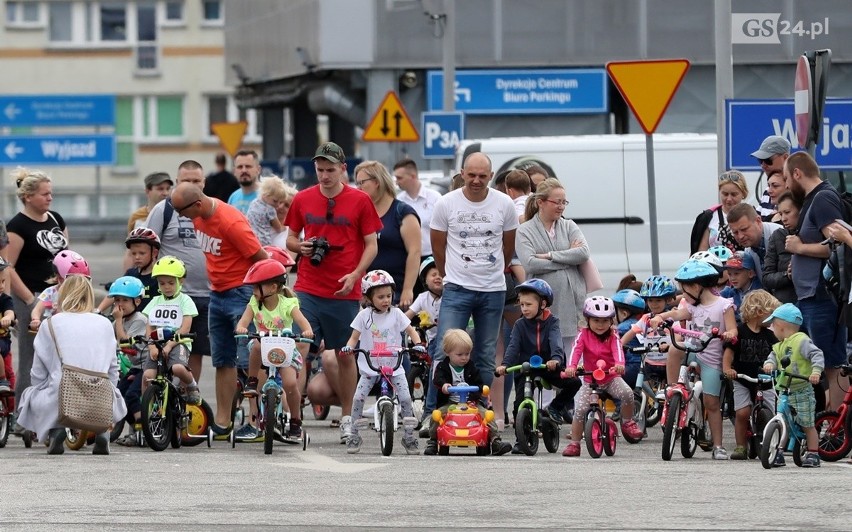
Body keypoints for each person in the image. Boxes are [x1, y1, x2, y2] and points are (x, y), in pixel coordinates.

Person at [285, 141, 381, 444]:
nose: (324, 176)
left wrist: (356, 275)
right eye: (319, 170)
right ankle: (293, 418)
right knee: (299, 348)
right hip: (308, 287)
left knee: (344, 354)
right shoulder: (302, 198)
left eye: (330, 170)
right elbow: (289, 238)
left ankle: (350, 417)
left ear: (343, 169)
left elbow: (371, 244)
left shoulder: (360, 200)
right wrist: (300, 247)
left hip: (344, 290)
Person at [426, 151, 518, 417]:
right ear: (462, 173)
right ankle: (433, 412)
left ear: (490, 176)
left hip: (493, 289)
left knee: (486, 355)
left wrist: (498, 268)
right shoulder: (446, 203)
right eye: (471, 175)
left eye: (482, 176)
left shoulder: (504, 204)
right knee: (445, 350)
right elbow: (437, 245)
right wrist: (447, 273)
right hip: (457, 287)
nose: (476, 181)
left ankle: (478, 410)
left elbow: (508, 244)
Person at [170, 182, 267, 432]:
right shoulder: (198, 217)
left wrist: (262, 298)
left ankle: (259, 420)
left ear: (198, 204)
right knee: (223, 359)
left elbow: (261, 259)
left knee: (250, 360)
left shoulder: (230, 222)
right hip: (217, 294)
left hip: (241, 292)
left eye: (182, 211)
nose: (181, 216)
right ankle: (223, 422)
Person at [17, 275, 126, 455]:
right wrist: (110, 391)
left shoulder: (50, 324)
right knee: (110, 390)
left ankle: (55, 428)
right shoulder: (105, 323)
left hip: (62, 393)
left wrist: (38, 390)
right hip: (99, 394)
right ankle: (102, 430)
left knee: (33, 394)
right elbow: (113, 368)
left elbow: (38, 371)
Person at [649, 260, 737, 460]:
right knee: (674, 348)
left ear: (696, 287)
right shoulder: (693, 307)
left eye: (685, 289)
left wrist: (729, 334)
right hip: (692, 350)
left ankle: (718, 446)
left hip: (712, 357)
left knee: (711, 402)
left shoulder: (724, 305)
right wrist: (659, 317)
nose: (683, 294)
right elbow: (676, 313)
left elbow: (732, 328)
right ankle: (672, 390)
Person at [1, 167, 68, 415]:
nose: (50, 198)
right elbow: (8, 266)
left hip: (58, 295)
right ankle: (22, 412)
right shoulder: (18, 225)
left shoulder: (56, 219)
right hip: (29, 295)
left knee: (60, 354)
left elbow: (66, 256)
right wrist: (29, 299)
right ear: (28, 196)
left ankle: (55, 408)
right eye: (44, 194)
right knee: (31, 355)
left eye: (51, 194)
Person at [783, 151, 847, 410]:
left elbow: (838, 245)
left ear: (797, 173)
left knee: (831, 364)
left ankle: (838, 428)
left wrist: (799, 249)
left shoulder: (823, 199)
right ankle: (831, 421)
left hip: (822, 295)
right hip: (810, 296)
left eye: (787, 178)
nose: (786, 185)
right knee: (819, 363)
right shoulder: (813, 199)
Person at [340, 270, 422, 454]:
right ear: (369, 298)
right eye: (380, 297)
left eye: (389, 296)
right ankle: (353, 434)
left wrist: (418, 344)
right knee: (358, 398)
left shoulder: (397, 314)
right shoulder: (364, 316)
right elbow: (354, 337)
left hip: (394, 365)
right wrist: (348, 347)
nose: (386, 300)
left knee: (406, 398)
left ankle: (409, 437)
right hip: (370, 366)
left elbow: (411, 330)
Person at [145, 160, 212, 381]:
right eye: (186, 181)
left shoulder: (211, 209)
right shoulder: (163, 210)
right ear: (177, 182)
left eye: (196, 181)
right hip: (172, 295)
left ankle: (187, 400)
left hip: (206, 293)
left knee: (196, 350)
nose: (191, 185)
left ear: (203, 183)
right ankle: (163, 396)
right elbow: (148, 247)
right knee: (164, 346)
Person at [495, 279, 582, 447]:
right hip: (526, 368)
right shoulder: (520, 324)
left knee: (574, 383)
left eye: (529, 304)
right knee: (520, 403)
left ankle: (555, 408)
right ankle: (522, 441)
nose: (524, 309)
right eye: (521, 305)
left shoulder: (552, 322)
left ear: (543, 304)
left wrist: (556, 359)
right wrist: (505, 365)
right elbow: (513, 346)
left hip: (548, 366)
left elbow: (556, 342)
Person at [234, 258, 313, 439]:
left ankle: (295, 420)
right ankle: (252, 381)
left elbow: (303, 323)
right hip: (263, 346)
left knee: (291, 385)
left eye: (257, 286)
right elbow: (243, 322)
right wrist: (242, 328)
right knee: (255, 345)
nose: (253, 291)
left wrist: (307, 331)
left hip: (285, 347)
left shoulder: (288, 304)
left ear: (273, 287)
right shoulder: (254, 303)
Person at [561, 297, 645, 457]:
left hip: (610, 378)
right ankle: (575, 443)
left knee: (627, 393)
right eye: (596, 320)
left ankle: (627, 422)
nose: (600, 325)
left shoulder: (613, 335)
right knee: (579, 411)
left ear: (611, 320)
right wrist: (571, 367)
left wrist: (620, 364)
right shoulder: (583, 335)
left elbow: (618, 350)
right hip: (590, 381)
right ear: (587, 320)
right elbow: (575, 351)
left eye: (605, 321)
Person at [515, 177, 589, 351]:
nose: (561, 206)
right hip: (542, 303)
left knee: (571, 357)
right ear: (540, 202)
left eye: (564, 202)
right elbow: (531, 264)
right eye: (557, 202)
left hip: (572, 302)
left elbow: (583, 253)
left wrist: (549, 256)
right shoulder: (525, 230)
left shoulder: (569, 225)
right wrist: (568, 259)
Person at [424, 328, 512, 456]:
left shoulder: (471, 367)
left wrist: (481, 389)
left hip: (471, 403)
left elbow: (478, 382)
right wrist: (444, 385)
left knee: (487, 415)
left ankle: (495, 441)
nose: (464, 358)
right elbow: (438, 379)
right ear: (447, 352)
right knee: (436, 415)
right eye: (460, 355)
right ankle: (433, 440)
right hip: (450, 403)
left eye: (467, 354)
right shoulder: (443, 367)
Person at [762, 303, 824, 468]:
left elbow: (816, 354)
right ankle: (778, 452)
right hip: (785, 389)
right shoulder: (779, 345)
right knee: (783, 420)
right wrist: (769, 364)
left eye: (772, 325)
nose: (771, 329)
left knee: (807, 423)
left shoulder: (801, 340)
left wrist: (816, 372)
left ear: (780, 326)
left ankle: (813, 453)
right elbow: (773, 357)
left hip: (802, 389)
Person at [722, 289, 780, 460]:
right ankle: (741, 446)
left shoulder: (771, 335)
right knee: (742, 413)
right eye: (771, 313)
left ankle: (771, 443)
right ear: (759, 312)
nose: (772, 318)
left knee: (770, 412)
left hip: (766, 380)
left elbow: (778, 354)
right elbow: (729, 354)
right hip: (742, 378)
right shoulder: (739, 332)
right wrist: (727, 369)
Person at [356, 160, 421, 309]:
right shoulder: (361, 214)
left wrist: (407, 289)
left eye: (362, 183)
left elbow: (415, 252)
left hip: (395, 292)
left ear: (377, 181)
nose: (358, 188)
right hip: (368, 294)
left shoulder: (402, 212)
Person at [140, 256, 200, 404]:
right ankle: (146, 410)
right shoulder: (155, 301)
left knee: (178, 368)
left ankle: (192, 386)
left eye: (171, 283)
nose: (166, 287)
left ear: (181, 281)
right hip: (157, 342)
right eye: (162, 283)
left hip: (178, 342)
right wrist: (152, 345)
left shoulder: (185, 300)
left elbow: (185, 326)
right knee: (148, 375)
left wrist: (170, 345)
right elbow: (149, 325)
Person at [107, 276, 149, 447]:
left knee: (132, 394)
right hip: (134, 365)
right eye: (117, 300)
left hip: (146, 365)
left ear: (137, 301)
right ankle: (136, 425)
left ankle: (143, 431)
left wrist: (117, 320)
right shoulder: (121, 319)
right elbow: (109, 340)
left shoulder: (139, 319)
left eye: (125, 300)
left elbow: (123, 341)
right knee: (120, 395)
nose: (120, 304)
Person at [96, 228, 161, 315]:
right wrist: (98, 310)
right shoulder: (131, 274)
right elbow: (115, 293)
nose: (137, 257)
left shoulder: (159, 276)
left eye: (142, 253)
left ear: (154, 253)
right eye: (133, 253)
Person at [394, 158, 442, 261]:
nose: (397, 182)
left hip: (432, 257)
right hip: (408, 257)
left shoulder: (435, 198)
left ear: (413, 176)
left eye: (399, 178)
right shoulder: (398, 200)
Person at [29, 250, 90, 331]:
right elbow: (37, 309)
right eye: (72, 281)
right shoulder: (51, 292)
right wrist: (35, 319)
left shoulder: (81, 292)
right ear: (59, 277)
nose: (76, 285)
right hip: (53, 329)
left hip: (74, 328)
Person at [691, 170, 749, 254]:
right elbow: (701, 254)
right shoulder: (708, 217)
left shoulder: (752, 215)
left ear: (743, 193)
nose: (729, 199)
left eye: (734, 194)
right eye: (725, 194)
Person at [725, 203, 781, 283]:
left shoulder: (780, 234)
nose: (740, 236)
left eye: (744, 229)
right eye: (735, 232)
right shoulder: (747, 251)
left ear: (758, 221)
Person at [762, 191, 800, 304]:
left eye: (787, 212)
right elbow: (766, 277)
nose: (783, 218)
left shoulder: (812, 233)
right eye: (781, 214)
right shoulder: (777, 236)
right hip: (786, 304)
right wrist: (786, 275)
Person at [405, 257, 443, 354]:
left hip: (450, 338)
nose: (438, 277)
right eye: (433, 275)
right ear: (424, 280)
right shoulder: (423, 298)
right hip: (432, 340)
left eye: (441, 275)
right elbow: (407, 316)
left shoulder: (449, 296)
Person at [612, 288, 647, 389]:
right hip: (643, 367)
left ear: (624, 314)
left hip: (629, 367)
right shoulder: (641, 324)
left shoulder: (622, 328)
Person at [751, 135, 792, 219]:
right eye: (760, 160)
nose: (763, 165)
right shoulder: (767, 191)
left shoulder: (798, 193)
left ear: (785, 158)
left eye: (767, 160)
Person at [246, 176, 288, 246]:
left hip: (250, 238)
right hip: (264, 242)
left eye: (279, 202)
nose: (277, 205)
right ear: (265, 195)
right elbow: (278, 228)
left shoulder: (253, 203)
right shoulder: (270, 209)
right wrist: (285, 229)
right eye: (275, 201)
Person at [720, 252, 761, 318]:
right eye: (729, 274)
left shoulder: (760, 294)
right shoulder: (727, 293)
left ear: (750, 274)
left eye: (736, 273)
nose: (732, 278)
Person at [0, 258, 16, 395]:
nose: (1, 286)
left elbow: (10, 312)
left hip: (2, 341)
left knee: (9, 372)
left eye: (3, 281)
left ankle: (2, 380)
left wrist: (7, 318)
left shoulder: (4, 299)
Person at [228, 149, 261, 214]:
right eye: (240, 167)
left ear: (258, 169)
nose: (244, 170)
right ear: (234, 171)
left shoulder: (268, 196)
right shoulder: (233, 197)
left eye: (248, 166)